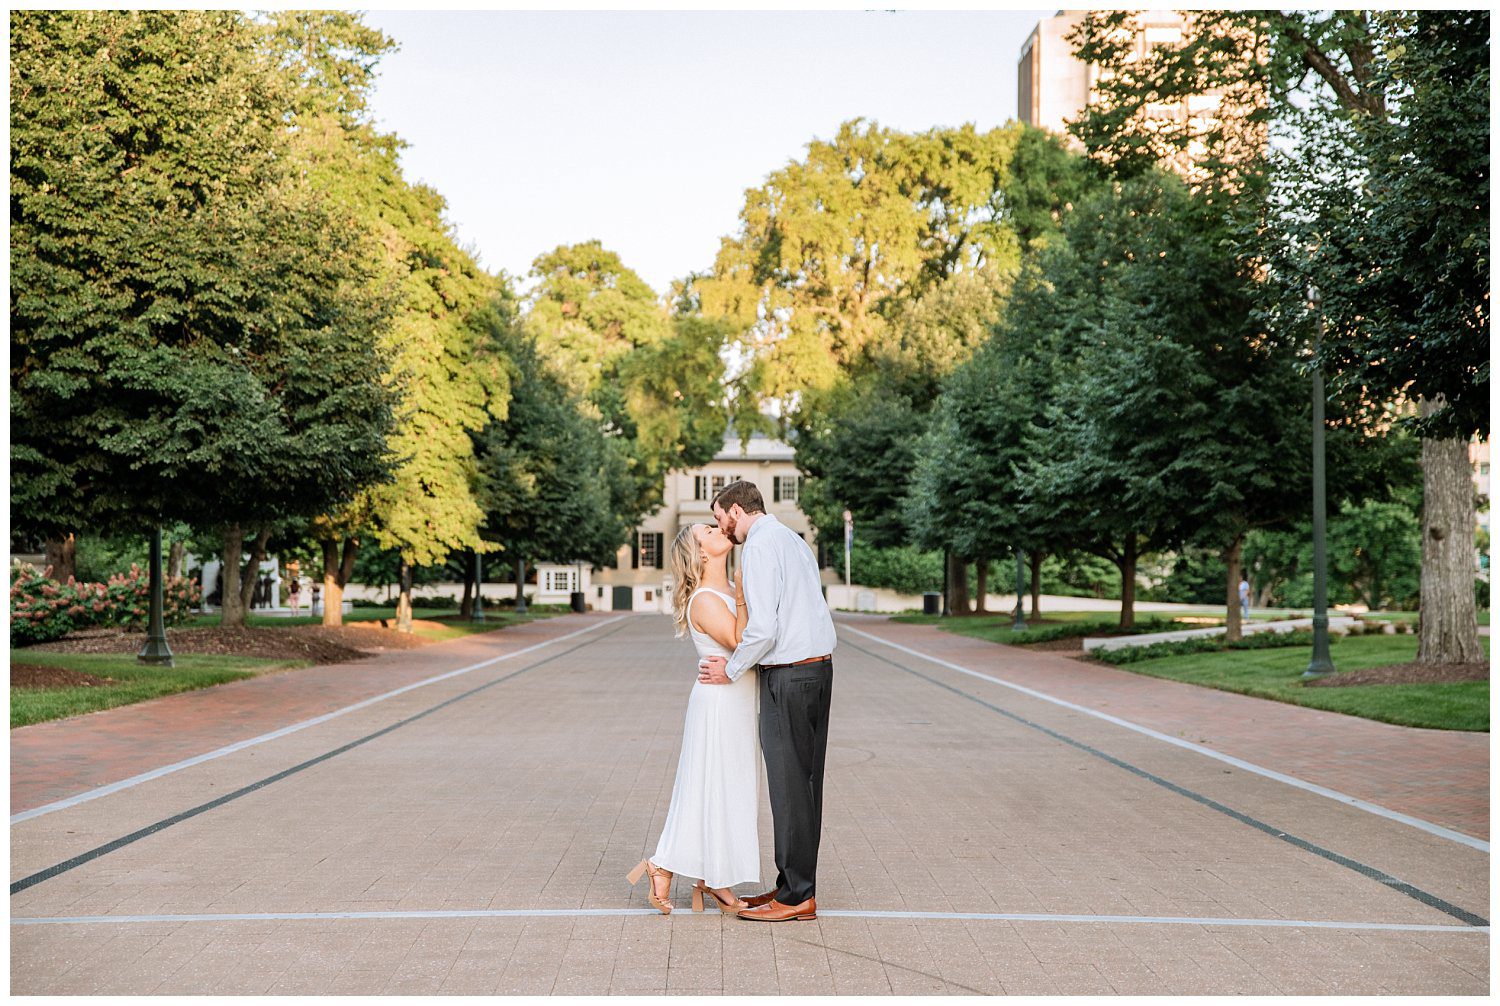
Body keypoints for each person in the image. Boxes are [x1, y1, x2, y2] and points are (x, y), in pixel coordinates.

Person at [698, 480, 837, 923]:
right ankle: (791, 884)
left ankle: (797, 897)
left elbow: (763, 629)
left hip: (790, 676)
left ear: (736, 511)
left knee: (789, 784)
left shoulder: (758, 547)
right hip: (818, 670)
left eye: (720, 518)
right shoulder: (792, 541)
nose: (722, 527)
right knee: (805, 783)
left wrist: (731, 669)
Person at [627, 521, 756, 915]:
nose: (719, 529)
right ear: (701, 553)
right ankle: (666, 866)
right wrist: (746, 594)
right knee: (710, 785)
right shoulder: (704, 598)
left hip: (735, 699)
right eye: (708, 531)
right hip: (718, 704)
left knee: (724, 788)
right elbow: (742, 640)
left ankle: (707, 877)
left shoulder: (725, 590)